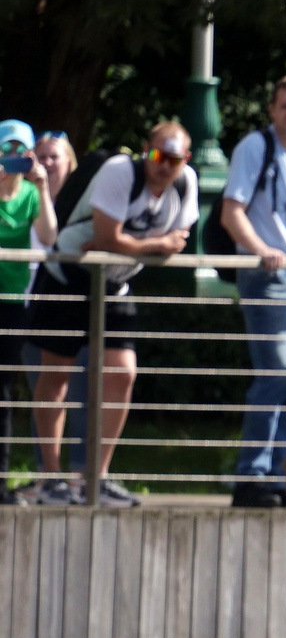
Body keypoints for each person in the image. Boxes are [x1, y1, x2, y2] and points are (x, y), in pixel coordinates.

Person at [28, 122, 198, 506]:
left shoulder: (186, 183)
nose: (164, 166)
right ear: (146, 149)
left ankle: (96, 478)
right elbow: (109, 238)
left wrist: (129, 243)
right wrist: (149, 243)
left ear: (185, 160)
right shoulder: (120, 171)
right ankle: (51, 478)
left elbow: (178, 242)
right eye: (158, 155)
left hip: (115, 280)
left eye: (173, 160)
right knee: (56, 375)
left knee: (122, 373)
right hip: (69, 272)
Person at [219, 77, 286, 507]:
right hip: (267, 275)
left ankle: (278, 476)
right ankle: (252, 474)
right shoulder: (255, 147)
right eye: (285, 106)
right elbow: (231, 212)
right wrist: (262, 251)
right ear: (272, 109)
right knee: (275, 373)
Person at [0, 121, 61, 504]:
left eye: (21, 152)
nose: (14, 159)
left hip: (12, 304)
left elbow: (50, 236)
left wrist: (41, 187)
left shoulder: (30, 193)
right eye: (6, 150)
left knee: (3, 393)